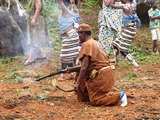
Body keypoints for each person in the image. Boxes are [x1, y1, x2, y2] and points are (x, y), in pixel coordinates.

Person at [75, 23, 127, 107]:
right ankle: (111, 93)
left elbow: (84, 68)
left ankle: (119, 95)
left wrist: (78, 83)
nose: (78, 36)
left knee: (96, 100)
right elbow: (91, 64)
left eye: (79, 34)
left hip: (100, 76)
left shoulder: (87, 44)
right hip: (107, 74)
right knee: (85, 97)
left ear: (84, 33)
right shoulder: (95, 42)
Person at [111, 0, 141, 70]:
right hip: (132, 28)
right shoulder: (134, 3)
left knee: (122, 50)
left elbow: (112, 5)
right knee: (115, 44)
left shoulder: (124, 5)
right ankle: (115, 62)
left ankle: (135, 64)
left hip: (128, 29)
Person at [24, 0, 51, 65]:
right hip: (35, 18)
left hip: (36, 19)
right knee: (35, 38)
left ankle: (31, 58)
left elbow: (38, 7)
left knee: (35, 38)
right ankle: (41, 54)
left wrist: (34, 19)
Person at [58, 0, 80, 70]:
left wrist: (61, 3)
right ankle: (72, 70)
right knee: (71, 54)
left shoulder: (69, 11)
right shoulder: (73, 10)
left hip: (71, 35)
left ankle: (69, 71)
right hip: (70, 35)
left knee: (66, 55)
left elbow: (61, 3)